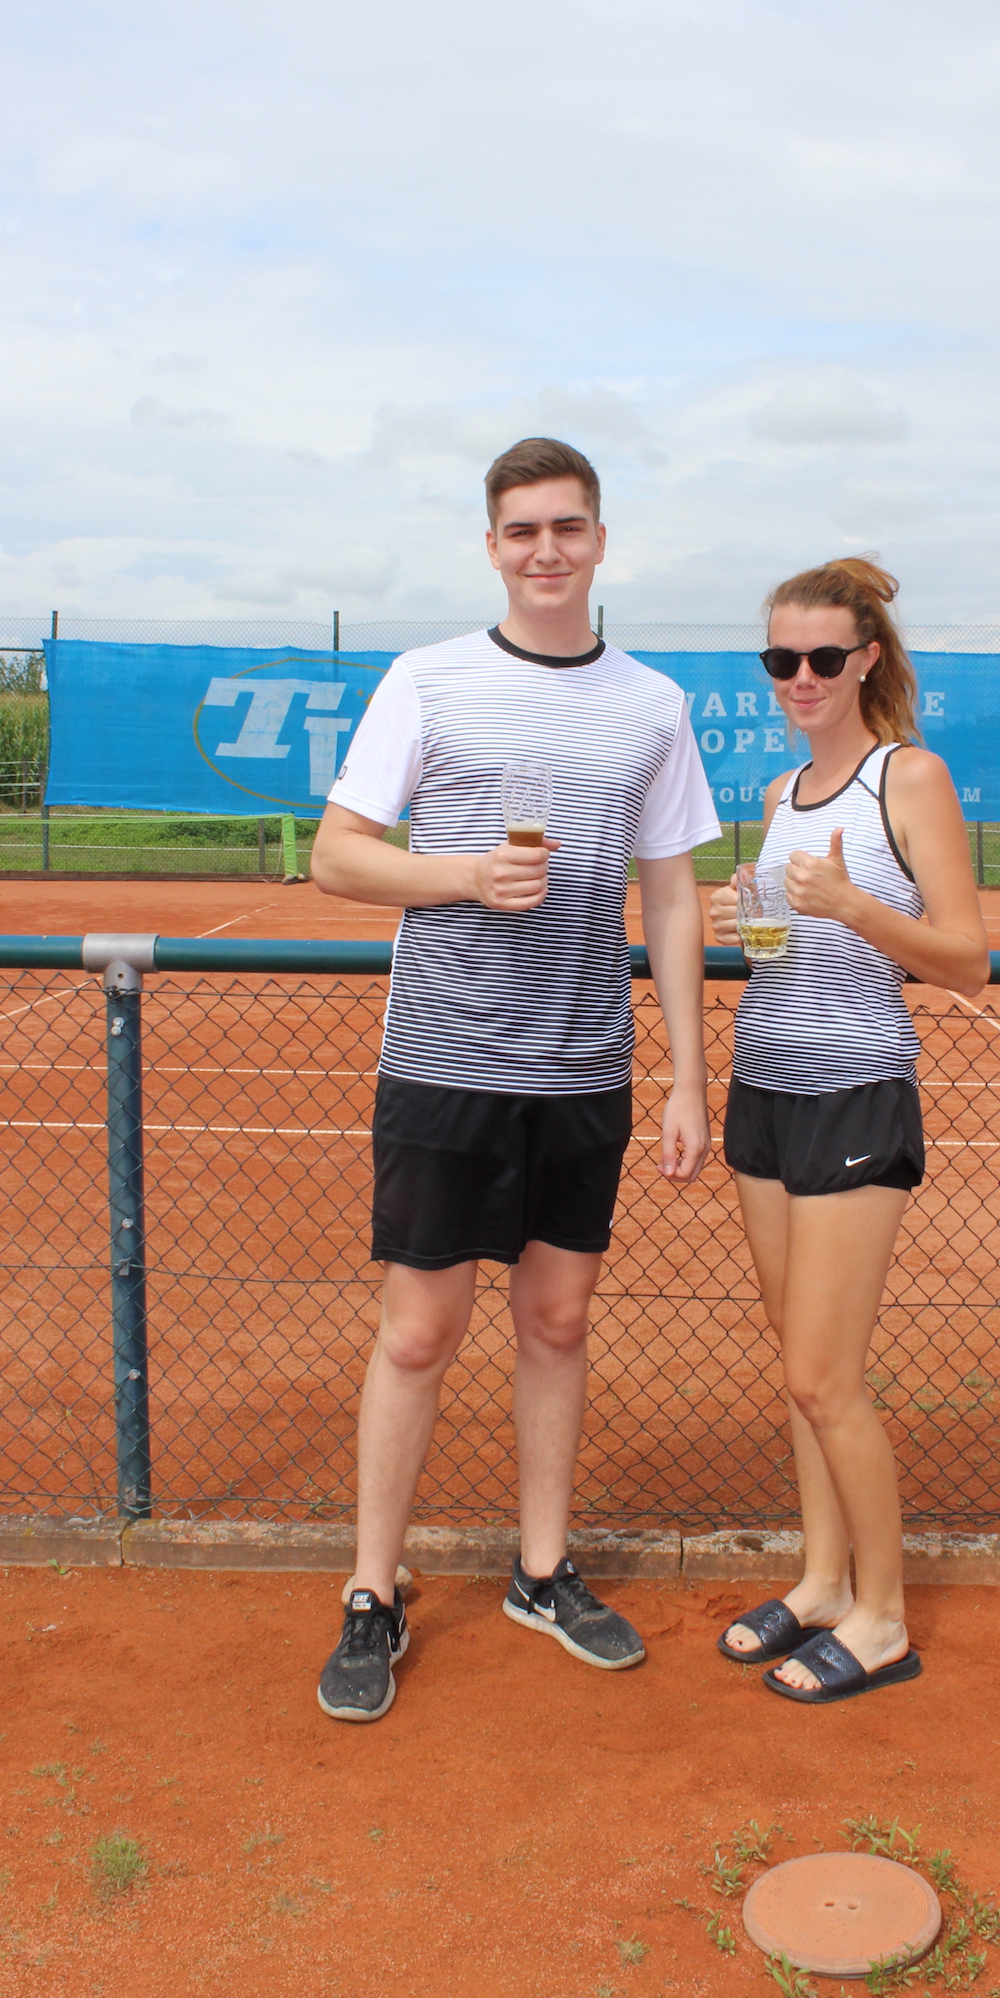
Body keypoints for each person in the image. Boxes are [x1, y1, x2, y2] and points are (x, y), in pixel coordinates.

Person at [309, 436, 720, 1722]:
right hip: (444, 1058)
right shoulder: (427, 680)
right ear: (492, 546)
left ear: (601, 540)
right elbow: (338, 855)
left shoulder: (652, 705)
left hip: (584, 1067)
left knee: (557, 1324)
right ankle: (371, 1591)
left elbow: (672, 895)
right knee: (418, 1333)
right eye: (524, 529)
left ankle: (543, 1573)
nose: (548, 550)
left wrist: (688, 1075)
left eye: (568, 526)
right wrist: (463, 876)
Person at [709, 556, 988, 1703]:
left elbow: (966, 961)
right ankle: (824, 1582)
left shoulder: (907, 777)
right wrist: (750, 920)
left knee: (828, 1376)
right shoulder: (783, 794)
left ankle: (883, 1618)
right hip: (765, 1087)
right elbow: (787, 953)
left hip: (856, 1094)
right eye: (782, 658)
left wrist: (854, 905)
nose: (803, 677)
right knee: (798, 1368)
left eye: (825, 656)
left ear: (867, 658)